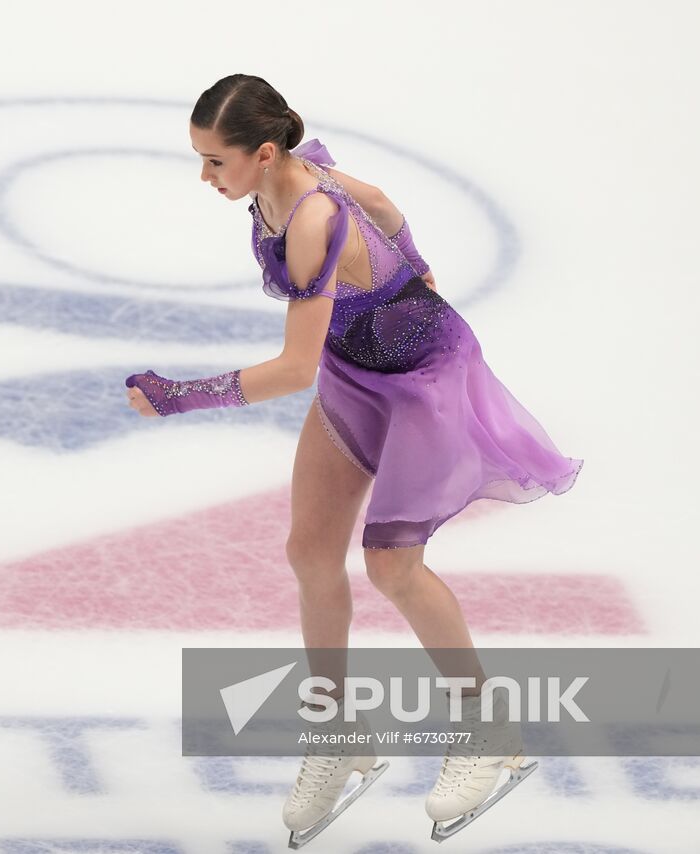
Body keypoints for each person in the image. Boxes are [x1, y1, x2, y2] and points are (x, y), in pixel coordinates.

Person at [124, 74, 582, 844]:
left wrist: (178, 396)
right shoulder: (283, 186)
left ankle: (489, 732)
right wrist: (411, 257)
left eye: (214, 161)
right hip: (356, 375)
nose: (204, 176)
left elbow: (294, 367)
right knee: (310, 551)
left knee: (392, 566)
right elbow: (389, 206)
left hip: (423, 383)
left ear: (263, 153)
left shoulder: (311, 215)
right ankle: (339, 736)